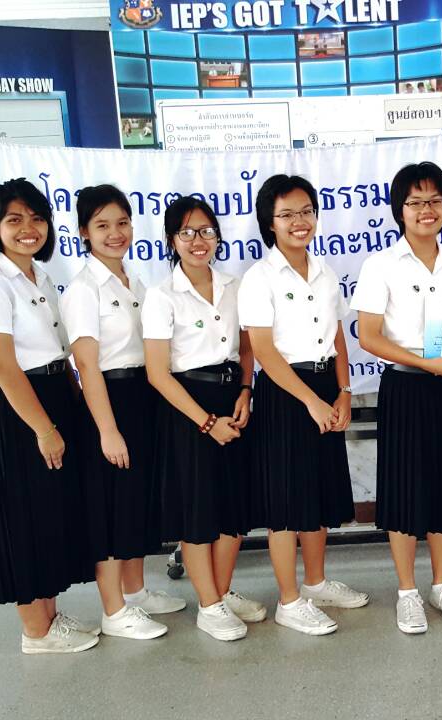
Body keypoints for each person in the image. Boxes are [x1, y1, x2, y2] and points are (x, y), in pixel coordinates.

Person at [352, 161, 442, 635]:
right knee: (405, 488)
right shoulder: (380, 265)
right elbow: (368, 336)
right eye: (415, 202)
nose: (426, 210)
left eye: (434, 200)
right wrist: (426, 363)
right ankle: (407, 591)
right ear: (400, 210)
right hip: (406, 387)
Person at [0, 178, 98, 654]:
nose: (29, 229)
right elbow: (3, 363)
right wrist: (43, 428)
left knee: (48, 513)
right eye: (15, 219)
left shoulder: (39, 277)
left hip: (55, 393)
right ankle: (35, 632)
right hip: (21, 407)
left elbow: (59, 351)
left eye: (37, 218)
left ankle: (50, 615)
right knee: (23, 516)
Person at [238, 174, 369, 636]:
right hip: (285, 393)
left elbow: (338, 337)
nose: (300, 221)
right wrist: (312, 401)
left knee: (317, 492)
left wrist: (344, 391)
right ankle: (289, 601)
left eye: (306, 211)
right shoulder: (259, 278)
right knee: (286, 502)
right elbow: (263, 350)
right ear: (269, 223)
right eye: (287, 214)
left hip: (325, 387)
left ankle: (315, 583)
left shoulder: (324, 271)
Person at [59, 184, 185, 642]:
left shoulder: (136, 282)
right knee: (110, 507)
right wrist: (107, 431)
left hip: (141, 397)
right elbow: (86, 364)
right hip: (107, 401)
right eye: (103, 225)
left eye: (122, 223)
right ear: (84, 232)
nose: (115, 233)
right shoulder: (83, 289)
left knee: (136, 501)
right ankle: (113, 609)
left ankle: (135, 591)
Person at [143, 195, 265, 642]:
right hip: (188, 407)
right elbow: (157, 373)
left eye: (207, 231)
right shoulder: (161, 296)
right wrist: (207, 423)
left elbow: (247, 346)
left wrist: (246, 391)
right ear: (172, 240)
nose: (199, 241)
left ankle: (221, 591)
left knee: (233, 508)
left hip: (233, 399)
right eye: (188, 232)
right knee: (198, 512)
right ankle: (209, 606)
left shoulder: (236, 286)